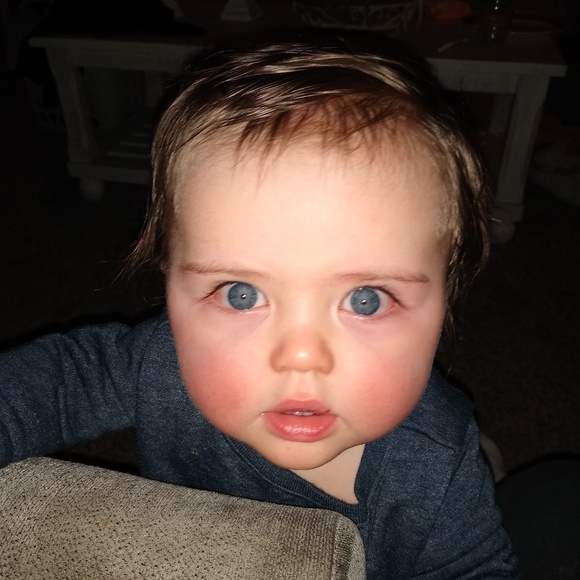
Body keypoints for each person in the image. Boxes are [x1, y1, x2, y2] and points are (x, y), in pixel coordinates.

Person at [0, 31, 519, 578]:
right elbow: (59, 379)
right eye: (241, 295)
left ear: (444, 293)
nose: (301, 355)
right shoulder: (162, 364)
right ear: (170, 281)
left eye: (365, 300)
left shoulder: (434, 466)